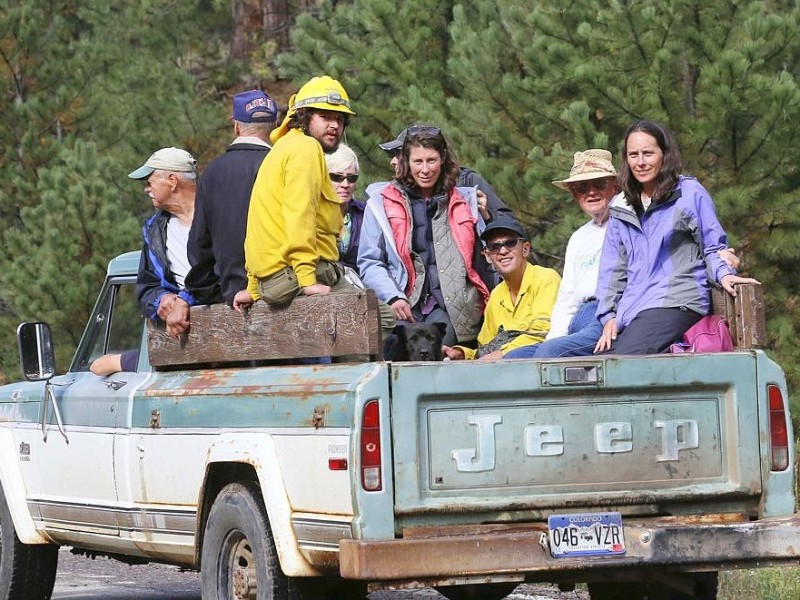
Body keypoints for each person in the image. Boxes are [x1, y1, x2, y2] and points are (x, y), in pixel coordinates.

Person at [234, 76, 395, 336]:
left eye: (340, 119)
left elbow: (259, 225)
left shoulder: (283, 147)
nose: (335, 125)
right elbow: (300, 217)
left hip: (276, 278)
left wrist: (253, 287)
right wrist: (308, 281)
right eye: (325, 116)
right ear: (304, 116)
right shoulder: (305, 150)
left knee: (361, 321)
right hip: (297, 276)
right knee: (381, 320)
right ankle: (347, 374)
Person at [594, 120, 759, 355]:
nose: (640, 162)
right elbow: (612, 270)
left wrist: (724, 274)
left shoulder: (689, 193)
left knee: (620, 360)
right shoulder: (620, 206)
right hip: (634, 308)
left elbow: (713, 246)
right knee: (595, 362)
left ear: (664, 154)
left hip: (678, 300)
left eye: (648, 153)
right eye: (633, 155)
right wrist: (609, 316)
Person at [358, 125, 494, 347]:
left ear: (442, 159)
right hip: (402, 302)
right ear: (405, 162)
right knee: (400, 357)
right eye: (417, 161)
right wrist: (392, 296)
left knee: (435, 356)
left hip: (454, 307)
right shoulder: (380, 203)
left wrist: (487, 219)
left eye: (431, 160)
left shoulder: (466, 201)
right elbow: (370, 261)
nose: (425, 169)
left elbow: (489, 258)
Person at [166, 89, 278, 337]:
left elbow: (199, 248)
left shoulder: (212, 173)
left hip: (232, 305)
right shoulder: (281, 165)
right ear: (275, 125)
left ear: (236, 126)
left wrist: (219, 290)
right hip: (282, 299)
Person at [504, 149, 618, 359]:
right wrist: (555, 337)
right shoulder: (578, 237)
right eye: (582, 187)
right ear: (575, 194)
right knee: (512, 359)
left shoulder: (626, 226)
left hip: (606, 317)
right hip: (579, 319)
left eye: (599, 184)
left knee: (550, 353)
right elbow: (566, 298)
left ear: (615, 187)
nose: (591, 192)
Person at [442, 216, 561, 360]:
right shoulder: (497, 294)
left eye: (510, 243)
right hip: (503, 370)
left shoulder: (546, 278)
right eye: (494, 247)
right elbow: (485, 348)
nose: (503, 251)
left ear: (525, 249)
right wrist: (463, 354)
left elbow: (543, 333)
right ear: (487, 256)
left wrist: (502, 354)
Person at [378, 128, 514, 223]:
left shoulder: (467, 181)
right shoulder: (392, 196)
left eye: (397, 154)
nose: (393, 161)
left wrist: (487, 216)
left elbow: (511, 226)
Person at [128, 147, 198, 322]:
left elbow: (225, 274)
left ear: (172, 181)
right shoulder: (154, 230)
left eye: (149, 182)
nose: (146, 189)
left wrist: (186, 299)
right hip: (182, 339)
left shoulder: (220, 215)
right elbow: (147, 287)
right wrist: (162, 299)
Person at [324, 143, 364, 272]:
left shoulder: (366, 214)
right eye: (337, 177)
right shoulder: (310, 213)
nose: (345, 184)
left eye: (352, 178)